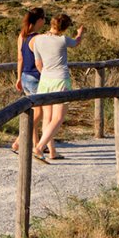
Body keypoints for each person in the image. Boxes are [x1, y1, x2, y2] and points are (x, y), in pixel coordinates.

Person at [30, 13, 85, 163]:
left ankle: (52, 151)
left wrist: (46, 75)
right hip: (60, 79)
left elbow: (38, 64)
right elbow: (76, 42)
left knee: (47, 118)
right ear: (65, 27)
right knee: (58, 118)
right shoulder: (63, 40)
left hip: (45, 80)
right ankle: (40, 147)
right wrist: (80, 34)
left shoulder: (38, 40)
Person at [10, 7, 50, 156]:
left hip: (26, 76)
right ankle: (19, 142)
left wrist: (19, 77)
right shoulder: (38, 38)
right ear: (39, 20)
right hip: (35, 76)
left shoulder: (22, 35)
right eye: (44, 18)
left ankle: (36, 143)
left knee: (32, 111)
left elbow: (20, 58)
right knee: (37, 113)